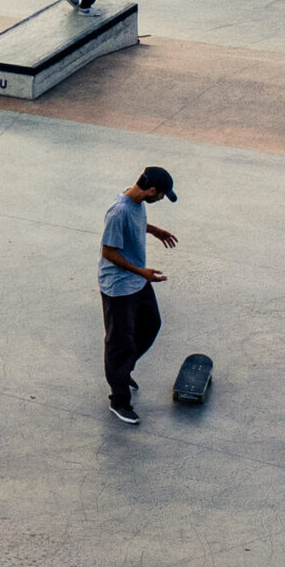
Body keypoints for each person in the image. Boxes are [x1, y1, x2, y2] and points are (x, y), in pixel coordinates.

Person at [100, 166, 180, 425]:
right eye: (161, 196)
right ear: (151, 191)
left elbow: (137, 222)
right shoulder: (118, 212)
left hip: (137, 279)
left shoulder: (135, 200)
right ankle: (119, 400)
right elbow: (109, 253)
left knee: (151, 324)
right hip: (119, 286)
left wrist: (154, 231)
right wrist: (141, 271)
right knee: (119, 343)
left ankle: (123, 370)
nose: (159, 200)